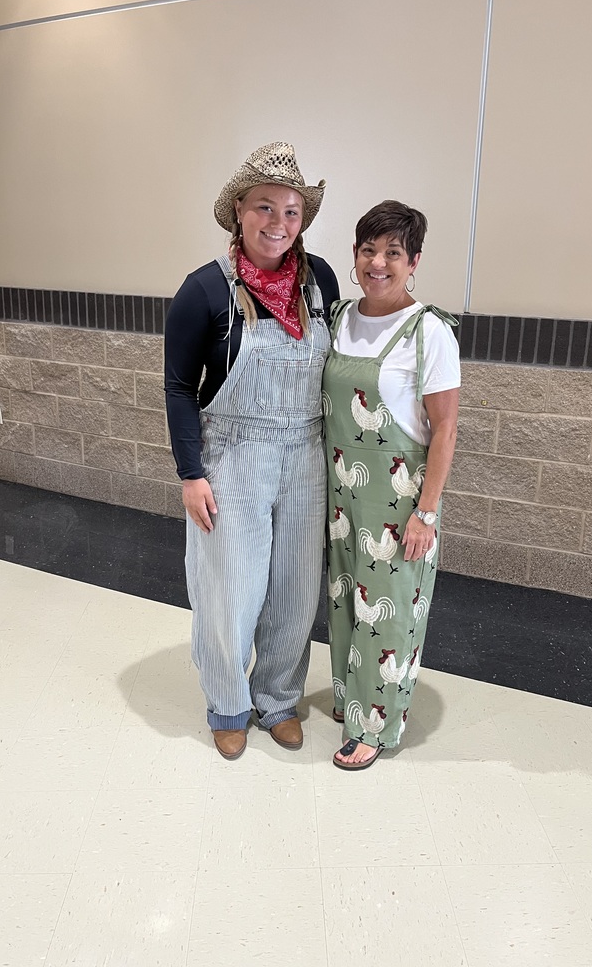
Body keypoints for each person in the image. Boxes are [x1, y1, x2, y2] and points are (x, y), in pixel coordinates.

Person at [164, 142, 339, 760]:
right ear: (239, 210)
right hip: (233, 457)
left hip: (305, 455)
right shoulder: (205, 290)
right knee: (231, 586)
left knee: (295, 586)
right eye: (265, 207)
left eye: (291, 212)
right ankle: (228, 703)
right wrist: (191, 474)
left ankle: (277, 699)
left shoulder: (318, 280)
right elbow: (181, 386)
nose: (278, 223)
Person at [323, 200, 460, 770]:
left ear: (414, 261)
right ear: (354, 257)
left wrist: (425, 513)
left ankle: (374, 726)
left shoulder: (428, 333)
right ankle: (349, 698)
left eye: (393, 253)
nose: (379, 262)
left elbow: (446, 427)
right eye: (368, 250)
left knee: (390, 613)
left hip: (398, 501)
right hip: (341, 496)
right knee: (346, 600)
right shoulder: (338, 318)